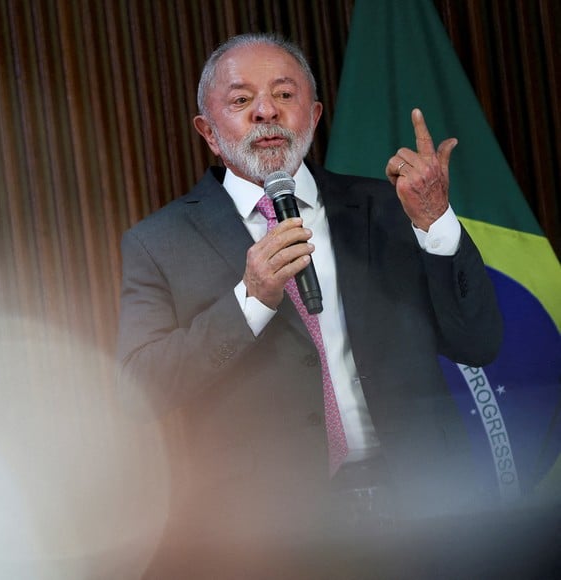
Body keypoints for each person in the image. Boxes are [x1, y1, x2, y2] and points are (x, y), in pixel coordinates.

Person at [116, 32, 503, 576]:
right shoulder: (159, 244)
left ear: (314, 115)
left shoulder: (392, 208)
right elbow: (139, 391)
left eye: (284, 94)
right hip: (272, 535)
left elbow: (478, 342)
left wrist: (437, 222)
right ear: (208, 131)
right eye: (241, 100)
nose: (266, 112)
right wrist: (249, 301)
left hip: (427, 511)